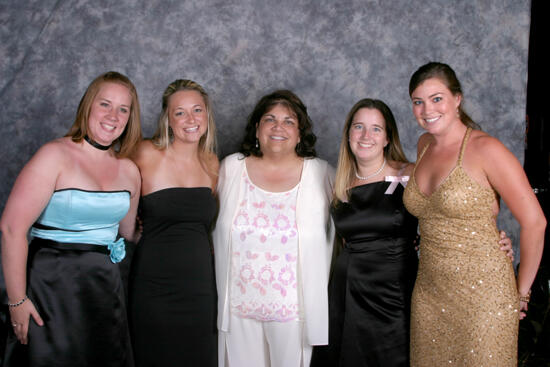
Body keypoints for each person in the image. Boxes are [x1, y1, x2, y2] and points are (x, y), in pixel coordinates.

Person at [403, 62, 546, 366]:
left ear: (457, 99)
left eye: (437, 98)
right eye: (418, 101)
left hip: (484, 297)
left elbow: (535, 221)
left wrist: (521, 293)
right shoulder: (424, 144)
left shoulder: (486, 149)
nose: (427, 109)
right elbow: (434, 214)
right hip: (429, 292)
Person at [0, 71, 142, 367]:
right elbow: (12, 228)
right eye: (105, 104)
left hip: (103, 289)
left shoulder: (129, 170)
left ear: (130, 118)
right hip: (50, 285)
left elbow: (130, 232)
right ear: (88, 106)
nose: (113, 116)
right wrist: (16, 301)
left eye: (123, 109)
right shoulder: (54, 155)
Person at [213, 90, 335, 367]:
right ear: (257, 128)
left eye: (289, 121)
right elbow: (200, 215)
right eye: (270, 119)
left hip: (295, 315)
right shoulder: (231, 169)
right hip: (237, 312)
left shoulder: (322, 174)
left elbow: (358, 219)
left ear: (300, 133)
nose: (278, 127)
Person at [310, 98, 418, 367]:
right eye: (358, 127)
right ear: (348, 135)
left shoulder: (408, 174)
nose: (366, 136)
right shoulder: (339, 183)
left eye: (376, 129)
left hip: (395, 291)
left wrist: (485, 237)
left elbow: (448, 212)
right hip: (347, 290)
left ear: (387, 138)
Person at [128, 79, 218, 367]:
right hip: (153, 286)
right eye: (180, 112)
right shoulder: (143, 153)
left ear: (207, 115)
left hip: (201, 288)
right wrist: (130, 228)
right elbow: (109, 190)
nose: (190, 119)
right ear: (167, 119)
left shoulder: (213, 163)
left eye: (197, 110)